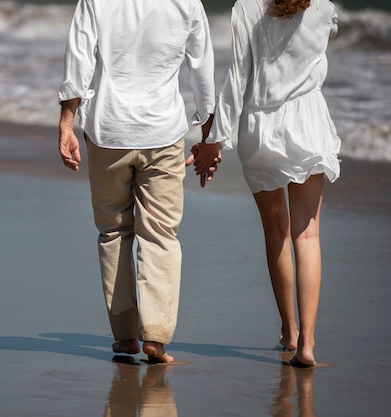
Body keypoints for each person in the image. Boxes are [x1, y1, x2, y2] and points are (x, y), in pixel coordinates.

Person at [57, 0, 216, 363]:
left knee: (113, 232)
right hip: (163, 131)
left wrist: (67, 121)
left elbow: (78, 59)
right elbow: (201, 70)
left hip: (108, 129)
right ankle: (156, 337)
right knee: (161, 235)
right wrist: (209, 135)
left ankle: (126, 336)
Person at [193, 0, 341, 367]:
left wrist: (216, 139)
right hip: (309, 123)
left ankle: (288, 331)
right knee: (307, 236)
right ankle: (307, 343)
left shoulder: (247, 6)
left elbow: (239, 75)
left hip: (261, 129)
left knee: (277, 234)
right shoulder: (324, 5)